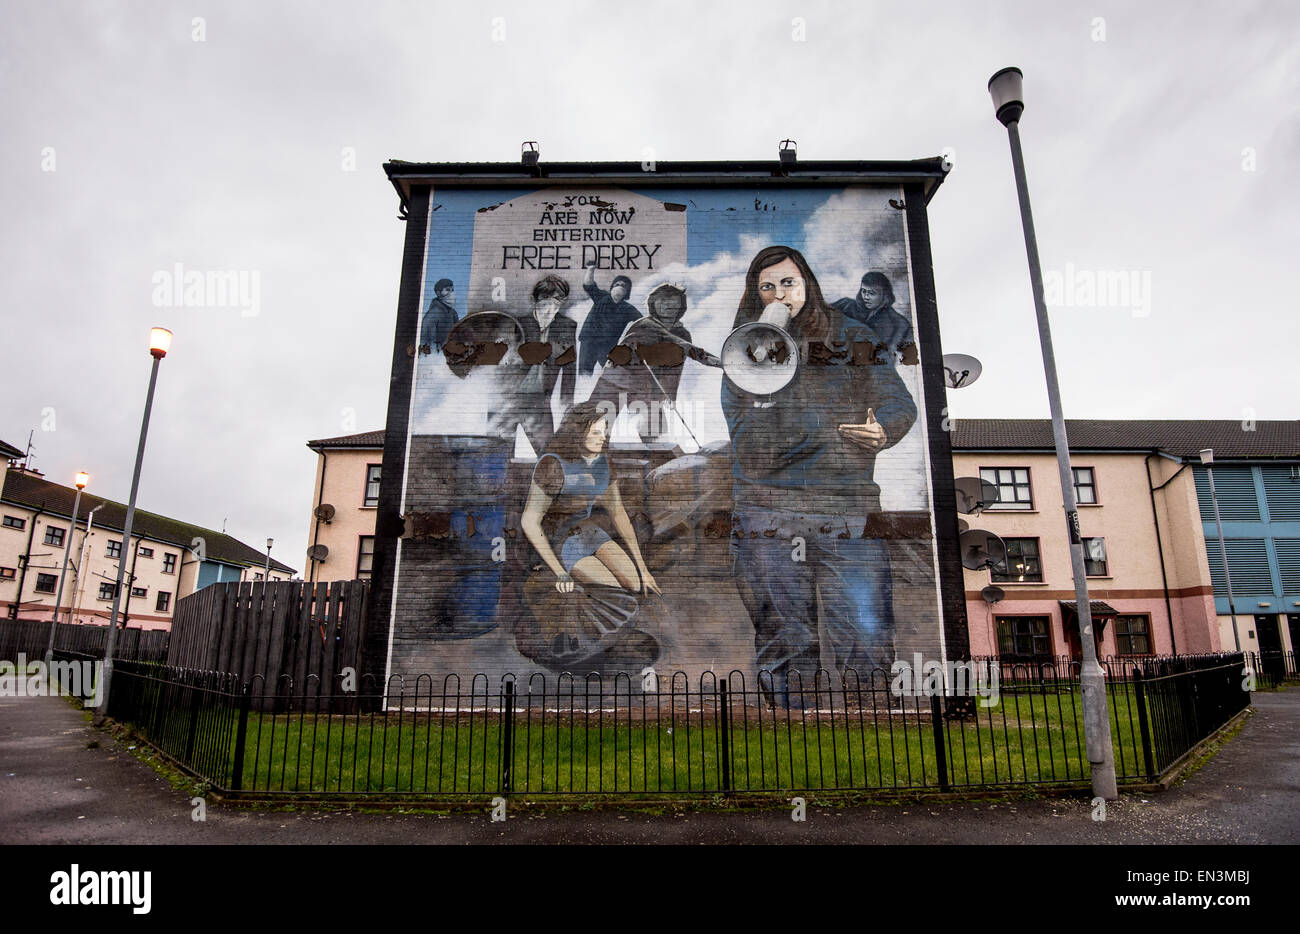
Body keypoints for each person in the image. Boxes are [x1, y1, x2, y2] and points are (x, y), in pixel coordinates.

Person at [721, 246, 918, 707]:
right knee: (784, 637)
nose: (779, 294)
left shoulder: (852, 335)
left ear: (807, 283)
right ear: (756, 295)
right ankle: (792, 738)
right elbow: (748, 443)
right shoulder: (745, 347)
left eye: (787, 283)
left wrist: (883, 430)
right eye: (766, 287)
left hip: (847, 509)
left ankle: (870, 734)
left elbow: (897, 402)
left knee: (866, 631)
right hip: (766, 512)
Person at [520, 401, 661, 597]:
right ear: (577, 433)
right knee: (614, 590)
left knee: (635, 584)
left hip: (588, 533)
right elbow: (529, 521)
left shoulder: (604, 463)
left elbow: (618, 512)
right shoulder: (552, 464)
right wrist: (560, 573)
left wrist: (643, 569)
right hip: (559, 540)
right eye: (595, 432)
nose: (603, 438)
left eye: (603, 431)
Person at [585, 283, 720, 441]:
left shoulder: (682, 333)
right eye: (662, 300)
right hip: (616, 381)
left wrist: (668, 394)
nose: (668, 305)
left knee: (656, 433)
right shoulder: (645, 324)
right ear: (653, 303)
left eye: (673, 301)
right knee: (596, 425)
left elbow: (675, 369)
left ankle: (662, 456)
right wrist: (717, 362)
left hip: (646, 386)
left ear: (681, 306)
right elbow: (684, 347)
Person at [508, 275, 577, 453]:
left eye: (557, 304)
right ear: (535, 301)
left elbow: (569, 365)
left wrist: (567, 401)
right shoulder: (517, 324)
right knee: (499, 452)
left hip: (541, 400)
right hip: (508, 398)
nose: (550, 310)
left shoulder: (566, 326)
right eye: (545, 303)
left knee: (548, 453)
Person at [832, 271, 915, 366]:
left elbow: (909, 361)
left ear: (884, 295)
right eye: (863, 291)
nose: (866, 297)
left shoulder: (899, 325)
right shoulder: (845, 306)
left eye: (871, 293)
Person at [577, 264, 642, 375]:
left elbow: (642, 322)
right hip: (589, 340)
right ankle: (584, 389)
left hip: (608, 345)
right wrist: (591, 269)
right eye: (617, 284)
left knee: (611, 373)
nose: (620, 287)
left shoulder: (628, 309)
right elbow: (589, 285)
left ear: (627, 291)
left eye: (624, 285)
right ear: (612, 286)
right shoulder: (601, 296)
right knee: (585, 372)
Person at [419, 278, 460, 353]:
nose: (451, 293)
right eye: (447, 290)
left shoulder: (453, 313)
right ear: (438, 293)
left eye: (452, 290)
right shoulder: (433, 314)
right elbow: (429, 343)